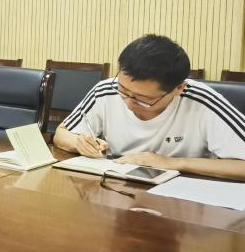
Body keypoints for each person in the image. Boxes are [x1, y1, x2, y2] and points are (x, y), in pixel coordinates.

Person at [55, 34, 245, 180]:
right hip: (119, 186)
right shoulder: (106, 90)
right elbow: (61, 134)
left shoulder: (202, 101)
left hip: (182, 197)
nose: (129, 102)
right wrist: (79, 143)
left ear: (178, 88)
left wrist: (173, 163)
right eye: (123, 90)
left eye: (143, 99)